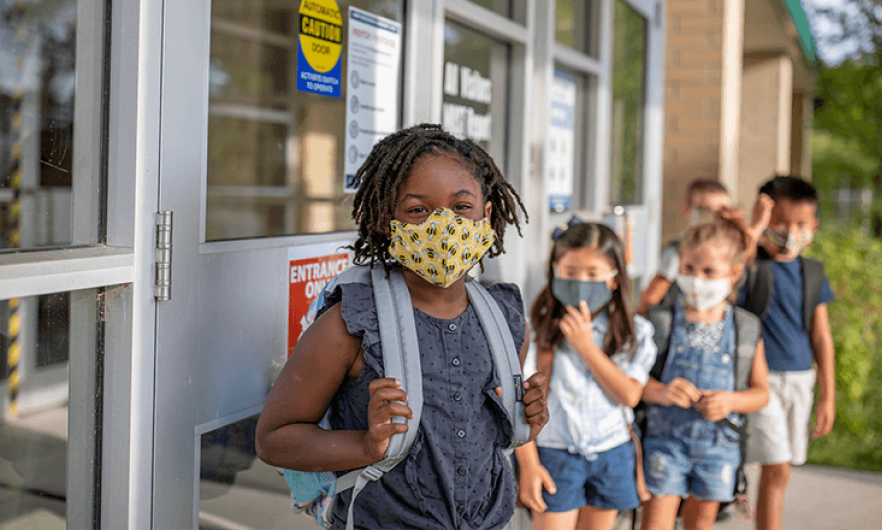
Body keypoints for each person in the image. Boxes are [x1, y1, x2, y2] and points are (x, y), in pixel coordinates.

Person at [255, 124, 549, 530]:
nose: (443, 226)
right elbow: (274, 438)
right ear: (386, 221)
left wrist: (524, 421)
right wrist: (365, 444)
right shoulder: (351, 323)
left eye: (461, 207)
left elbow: (481, 436)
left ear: (488, 214)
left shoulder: (505, 318)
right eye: (417, 210)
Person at [514, 220, 657, 530]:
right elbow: (518, 403)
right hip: (553, 454)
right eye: (570, 272)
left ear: (615, 279)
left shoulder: (634, 333)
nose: (581, 282)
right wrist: (529, 465)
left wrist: (586, 346)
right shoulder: (533, 330)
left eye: (593, 274)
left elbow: (630, 394)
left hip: (612, 452)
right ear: (554, 271)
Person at [640, 217, 770, 530]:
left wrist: (730, 401)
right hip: (665, 443)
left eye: (709, 272)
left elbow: (761, 393)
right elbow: (631, 383)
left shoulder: (745, 328)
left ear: (734, 273)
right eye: (688, 268)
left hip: (717, 447)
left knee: (701, 524)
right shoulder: (661, 322)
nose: (697, 279)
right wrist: (662, 391)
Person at [737, 176, 835, 530]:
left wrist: (828, 397)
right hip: (758, 381)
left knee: (780, 471)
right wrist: (755, 225)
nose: (789, 232)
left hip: (800, 380)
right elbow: (733, 268)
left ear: (814, 227)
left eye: (800, 224)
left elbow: (822, 337)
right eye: (779, 222)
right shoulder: (752, 265)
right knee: (776, 464)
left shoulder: (813, 272)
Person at [637, 180, 773, 315]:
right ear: (687, 211)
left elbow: (745, 253)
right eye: (705, 211)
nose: (714, 218)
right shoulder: (678, 249)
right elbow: (651, 298)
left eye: (722, 211)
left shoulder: (728, 247)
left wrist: (757, 227)